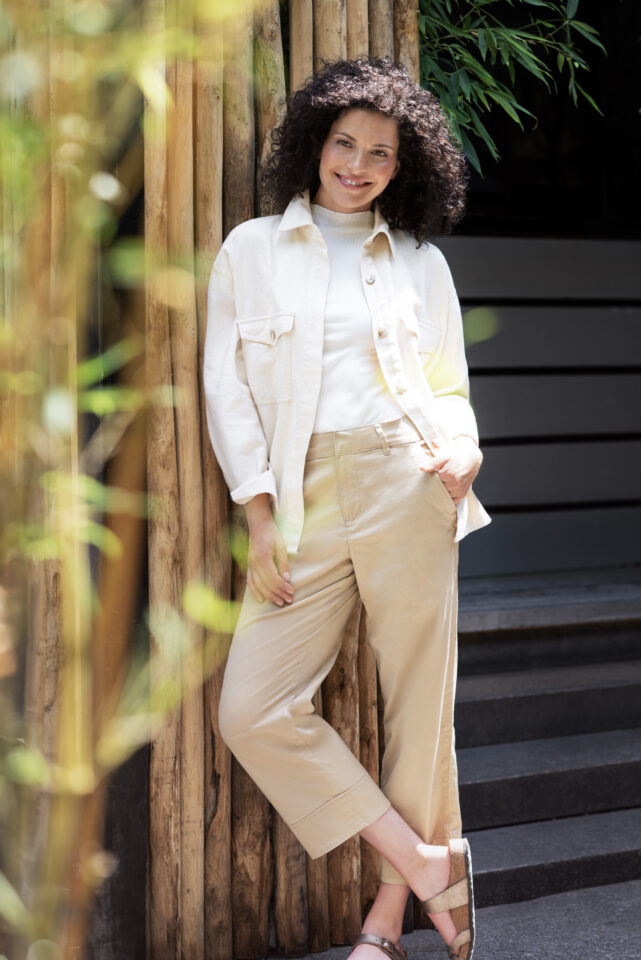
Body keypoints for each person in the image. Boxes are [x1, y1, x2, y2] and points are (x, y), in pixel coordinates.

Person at [203, 57, 491, 960]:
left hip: (409, 482)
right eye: (343, 144)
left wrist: (467, 447)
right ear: (314, 144)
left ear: (405, 167)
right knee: (251, 710)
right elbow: (226, 390)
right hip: (301, 502)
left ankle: (385, 924)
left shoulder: (418, 262)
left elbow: (448, 387)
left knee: (419, 711)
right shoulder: (251, 249)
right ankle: (423, 860)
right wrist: (257, 515)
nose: (357, 166)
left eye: (379, 154)